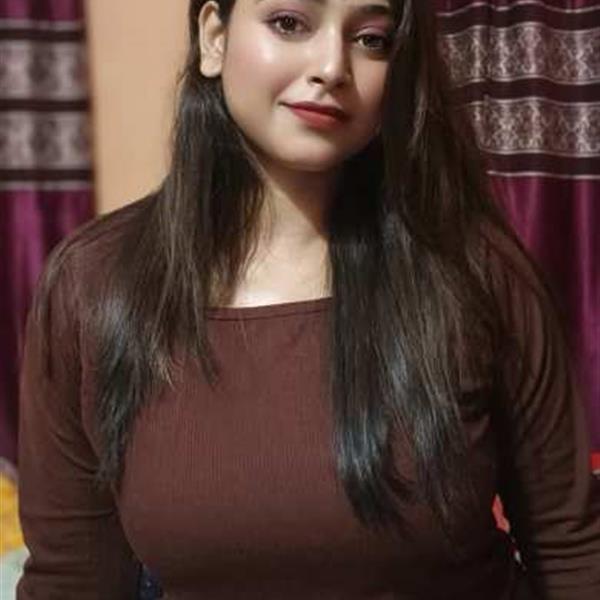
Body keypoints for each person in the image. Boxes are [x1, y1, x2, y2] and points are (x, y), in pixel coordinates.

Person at [16, 0, 600, 598]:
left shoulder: (476, 272)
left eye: (371, 39)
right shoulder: (93, 285)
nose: (332, 67)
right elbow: (73, 581)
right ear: (214, 37)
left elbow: (573, 553)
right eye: (289, 23)